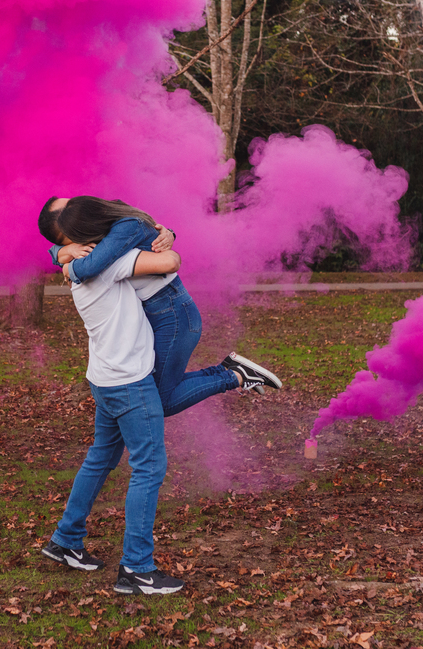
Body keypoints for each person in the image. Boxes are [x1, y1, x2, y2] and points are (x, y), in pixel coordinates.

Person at [38, 195, 282, 415]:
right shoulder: (112, 228)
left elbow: (90, 266)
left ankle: (235, 376)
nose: (72, 209)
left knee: (161, 401)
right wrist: (61, 251)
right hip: (160, 316)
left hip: (174, 317)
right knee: (154, 391)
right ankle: (231, 371)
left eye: (70, 206)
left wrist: (67, 264)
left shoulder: (122, 229)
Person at [41, 243, 186, 595]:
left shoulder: (79, 265)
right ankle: (137, 569)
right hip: (129, 382)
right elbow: (170, 261)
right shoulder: (110, 262)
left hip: (105, 378)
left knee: (101, 457)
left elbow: (58, 252)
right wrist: (162, 235)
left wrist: (61, 251)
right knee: (149, 467)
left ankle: (65, 540)